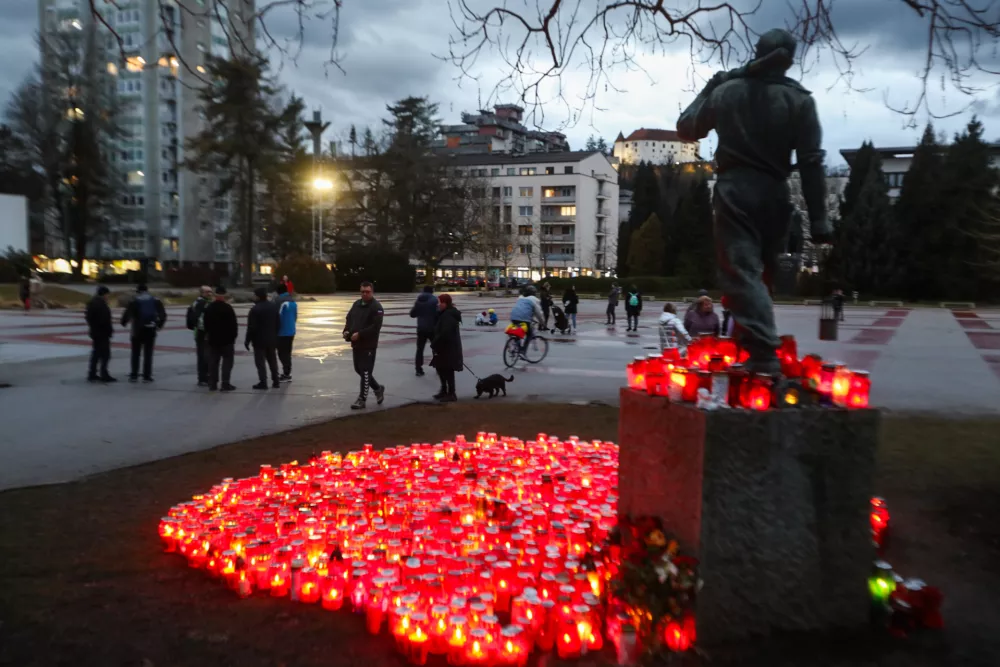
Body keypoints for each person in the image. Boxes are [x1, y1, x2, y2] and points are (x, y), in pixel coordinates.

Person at [677, 28, 829, 373]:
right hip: (777, 195)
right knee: (760, 279)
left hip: (737, 191)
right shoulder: (801, 100)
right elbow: (811, 162)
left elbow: (687, 127)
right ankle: (751, 350)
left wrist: (711, 86)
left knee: (742, 275)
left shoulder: (729, 91)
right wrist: (819, 218)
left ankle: (762, 355)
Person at [343, 281, 385, 410]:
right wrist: (346, 331)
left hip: (368, 344)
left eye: (367, 292)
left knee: (365, 371)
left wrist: (360, 334)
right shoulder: (356, 304)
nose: (365, 294)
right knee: (358, 369)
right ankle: (378, 389)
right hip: (356, 343)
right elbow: (349, 319)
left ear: (372, 292)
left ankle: (362, 399)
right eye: (362, 292)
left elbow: (375, 327)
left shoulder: (376, 307)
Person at [121, 283, 166, 383]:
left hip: (137, 330)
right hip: (150, 329)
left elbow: (127, 314)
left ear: (138, 291)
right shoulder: (155, 300)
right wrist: (158, 325)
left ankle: (134, 375)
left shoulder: (134, 300)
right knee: (148, 353)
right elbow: (162, 315)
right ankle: (147, 376)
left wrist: (123, 323)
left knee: (135, 353)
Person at [203, 286, 238, 391]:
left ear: (215, 294)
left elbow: (206, 324)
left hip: (213, 339)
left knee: (213, 362)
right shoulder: (228, 308)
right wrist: (233, 337)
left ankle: (213, 383)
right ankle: (225, 383)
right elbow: (233, 325)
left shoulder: (209, 308)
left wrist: (209, 334)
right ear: (224, 295)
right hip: (227, 340)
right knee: (227, 362)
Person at [245, 287, 281, 390]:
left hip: (259, 340)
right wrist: (275, 335)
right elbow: (278, 323)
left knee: (260, 362)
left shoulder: (255, 309)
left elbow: (251, 327)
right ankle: (276, 380)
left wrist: (247, 340)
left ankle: (263, 382)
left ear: (257, 296)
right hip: (271, 339)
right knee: (272, 360)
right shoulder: (273, 307)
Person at [430, 293, 463, 402]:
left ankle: (451, 393)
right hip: (444, 347)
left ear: (445, 303)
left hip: (448, 348)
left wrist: (435, 343)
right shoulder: (444, 314)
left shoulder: (448, 315)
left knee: (447, 370)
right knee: (441, 368)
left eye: (439, 302)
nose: (438, 305)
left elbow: (445, 333)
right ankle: (444, 390)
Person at [85, 286, 115, 383]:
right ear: (104, 294)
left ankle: (92, 373)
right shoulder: (101, 304)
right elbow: (105, 320)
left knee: (96, 353)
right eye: (107, 294)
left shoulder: (92, 303)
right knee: (105, 354)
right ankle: (104, 374)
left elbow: (88, 317)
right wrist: (109, 330)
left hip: (95, 332)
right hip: (102, 333)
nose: (108, 297)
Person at [186, 285, 213, 387]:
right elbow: (199, 319)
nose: (210, 294)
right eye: (207, 292)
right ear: (201, 293)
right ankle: (203, 378)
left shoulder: (198, 303)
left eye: (210, 292)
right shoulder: (202, 303)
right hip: (202, 333)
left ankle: (204, 377)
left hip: (200, 332)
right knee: (204, 356)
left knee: (204, 355)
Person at [409, 285, 438, 377]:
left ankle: (418, 369)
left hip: (421, 328)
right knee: (436, 349)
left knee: (420, 349)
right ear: (432, 291)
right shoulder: (434, 300)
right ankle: (438, 367)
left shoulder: (418, 300)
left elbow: (412, 314)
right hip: (432, 328)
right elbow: (438, 314)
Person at [509, 285, 545, 354]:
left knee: (517, 332)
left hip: (513, 317)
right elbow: (539, 314)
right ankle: (523, 350)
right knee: (529, 334)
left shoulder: (520, 298)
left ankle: (515, 346)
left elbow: (521, 309)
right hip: (524, 319)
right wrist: (542, 323)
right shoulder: (534, 300)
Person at [275, 283, 297, 381]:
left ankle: (286, 373)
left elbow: (276, 317)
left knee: (281, 353)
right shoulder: (292, 301)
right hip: (291, 330)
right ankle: (287, 372)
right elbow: (295, 316)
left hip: (281, 331)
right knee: (287, 352)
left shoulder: (279, 301)